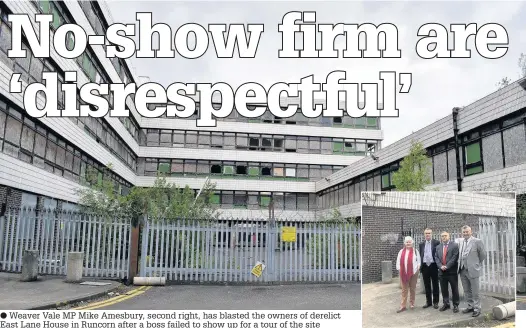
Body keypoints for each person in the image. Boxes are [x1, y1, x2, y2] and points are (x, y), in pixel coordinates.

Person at [458, 225, 487, 317]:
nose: (465, 233)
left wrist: (476, 264)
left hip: (473, 269)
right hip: (462, 269)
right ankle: (470, 306)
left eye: (467, 232)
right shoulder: (461, 242)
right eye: (464, 232)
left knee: (475, 291)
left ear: (471, 232)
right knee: (467, 290)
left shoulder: (477, 241)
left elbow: (483, 255)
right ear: (462, 233)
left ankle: (477, 308)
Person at [435, 231, 460, 313]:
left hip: (451, 271)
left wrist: (447, 266)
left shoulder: (455, 245)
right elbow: (436, 258)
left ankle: (456, 305)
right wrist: (440, 266)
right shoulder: (438, 247)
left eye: (445, 236)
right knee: (444, 289)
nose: (444, 237)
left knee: (454, 289)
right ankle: (446, 304)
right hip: (442, 272)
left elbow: (455, 257)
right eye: (442, 236)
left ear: (449, 236)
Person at [396, 236, 421, 313]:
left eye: (409, 242)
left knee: (412, 289)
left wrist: (417, 268)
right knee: (404, 290)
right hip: (404, 273)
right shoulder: (401, 251)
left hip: (413, 273)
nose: (408, 243)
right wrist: (400, 270)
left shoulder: (415, 251)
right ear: (404, 243)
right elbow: (398, 262)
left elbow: (419, 261)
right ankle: (403, 305)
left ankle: (412, 303)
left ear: (412, 242)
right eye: (407, 242)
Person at [419, 228, 440, 309]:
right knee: (426, 285)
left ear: (432, 234)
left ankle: (436, 302)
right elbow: (421, 255)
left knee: (435, 285)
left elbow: (438, 254)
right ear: (424, 234)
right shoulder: (421, 244)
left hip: (433, 266)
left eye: (429, 233)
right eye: (426, 233)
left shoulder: (436, 242)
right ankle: (428, 302)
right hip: (425, 266)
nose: (427, 234)